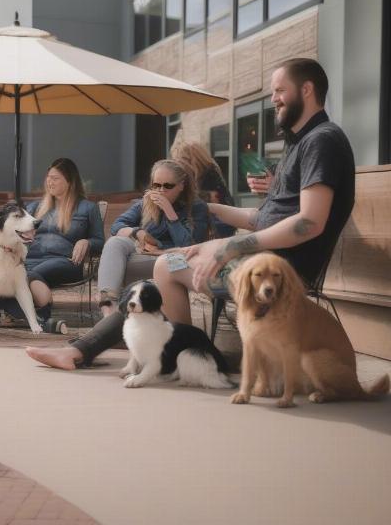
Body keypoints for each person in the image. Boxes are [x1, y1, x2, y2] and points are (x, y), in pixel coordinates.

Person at [26, 57, 355, 369]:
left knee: (167, 266)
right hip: (262, 260)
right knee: (168, 263)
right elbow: (260, 219)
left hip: (277, 272)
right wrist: (208, 208)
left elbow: (311, 222)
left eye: (280, 90)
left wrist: (231, 246)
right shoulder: (303, 144)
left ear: (307, 90)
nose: (273, 99)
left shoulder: (321, 141)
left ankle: (172, 357)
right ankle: (179, 357)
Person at [0, 157, 104, 324]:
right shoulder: (34, 208)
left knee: (24, 276)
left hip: (64, 260)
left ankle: (14, 310)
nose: (49, 182)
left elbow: (101, 242)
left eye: (55, 178)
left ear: (70, 181)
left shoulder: (88, 208)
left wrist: (87, 242)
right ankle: (24, 312)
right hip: (30, 258)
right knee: (5, 273)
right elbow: (14, 232)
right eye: (48, 177)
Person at [96, 159, 208, 317]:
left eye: (168, 186)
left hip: (172, 263)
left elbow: (188, 245)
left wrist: (170, 213)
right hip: (143, 257)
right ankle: (109, 312)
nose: (161, 190)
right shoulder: (146, 202)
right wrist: (138, 233)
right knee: (115, 242)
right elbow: (117, 226)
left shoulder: (197, 208)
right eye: (156, 185)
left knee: (117, 264)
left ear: (182, 185)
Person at [171, 142, 236, 237]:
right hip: (221, 225)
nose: (179, 164)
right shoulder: (209, 172)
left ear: (191, 159)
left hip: (217, 227)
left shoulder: (207, 176)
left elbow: (211, 201)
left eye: (181, 160)